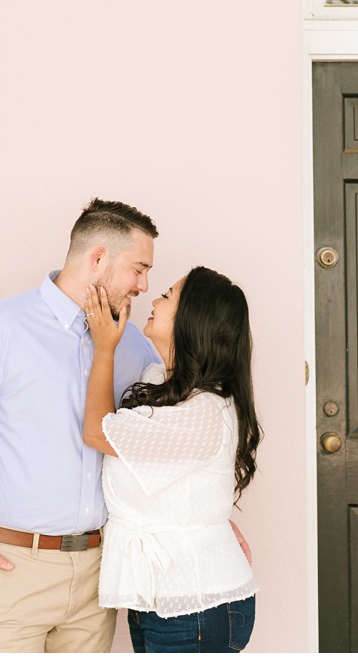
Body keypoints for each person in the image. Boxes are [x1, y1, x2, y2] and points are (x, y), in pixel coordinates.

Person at [0, 198, 162, 652]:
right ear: (98, 259)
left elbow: (161, 438)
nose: (144, 285)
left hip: (98, 576)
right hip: (9, 571)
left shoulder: (132, 345)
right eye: (138, 269)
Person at [81, 265, 262, 653]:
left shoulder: (202, 411)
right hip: (161, 597)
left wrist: (104, 348)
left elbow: (97, 432)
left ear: (191, 321)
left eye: (167, 295)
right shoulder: (162, 383)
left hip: (197, 603)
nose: (154, 299)